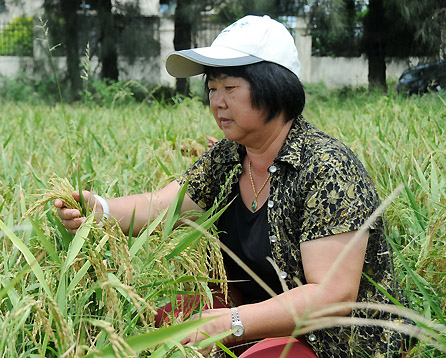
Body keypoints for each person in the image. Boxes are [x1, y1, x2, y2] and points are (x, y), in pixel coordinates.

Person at [55, 15, 412, 358]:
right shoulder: (228, 157)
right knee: (168, 322)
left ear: (275, 89)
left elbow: (331, 295)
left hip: (333, 342)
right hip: (257, 319)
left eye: (230, 88)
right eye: (212, 88)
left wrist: (230, 323)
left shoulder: (327, 168)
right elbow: (165, 207)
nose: (217, 102)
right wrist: (97, 209)